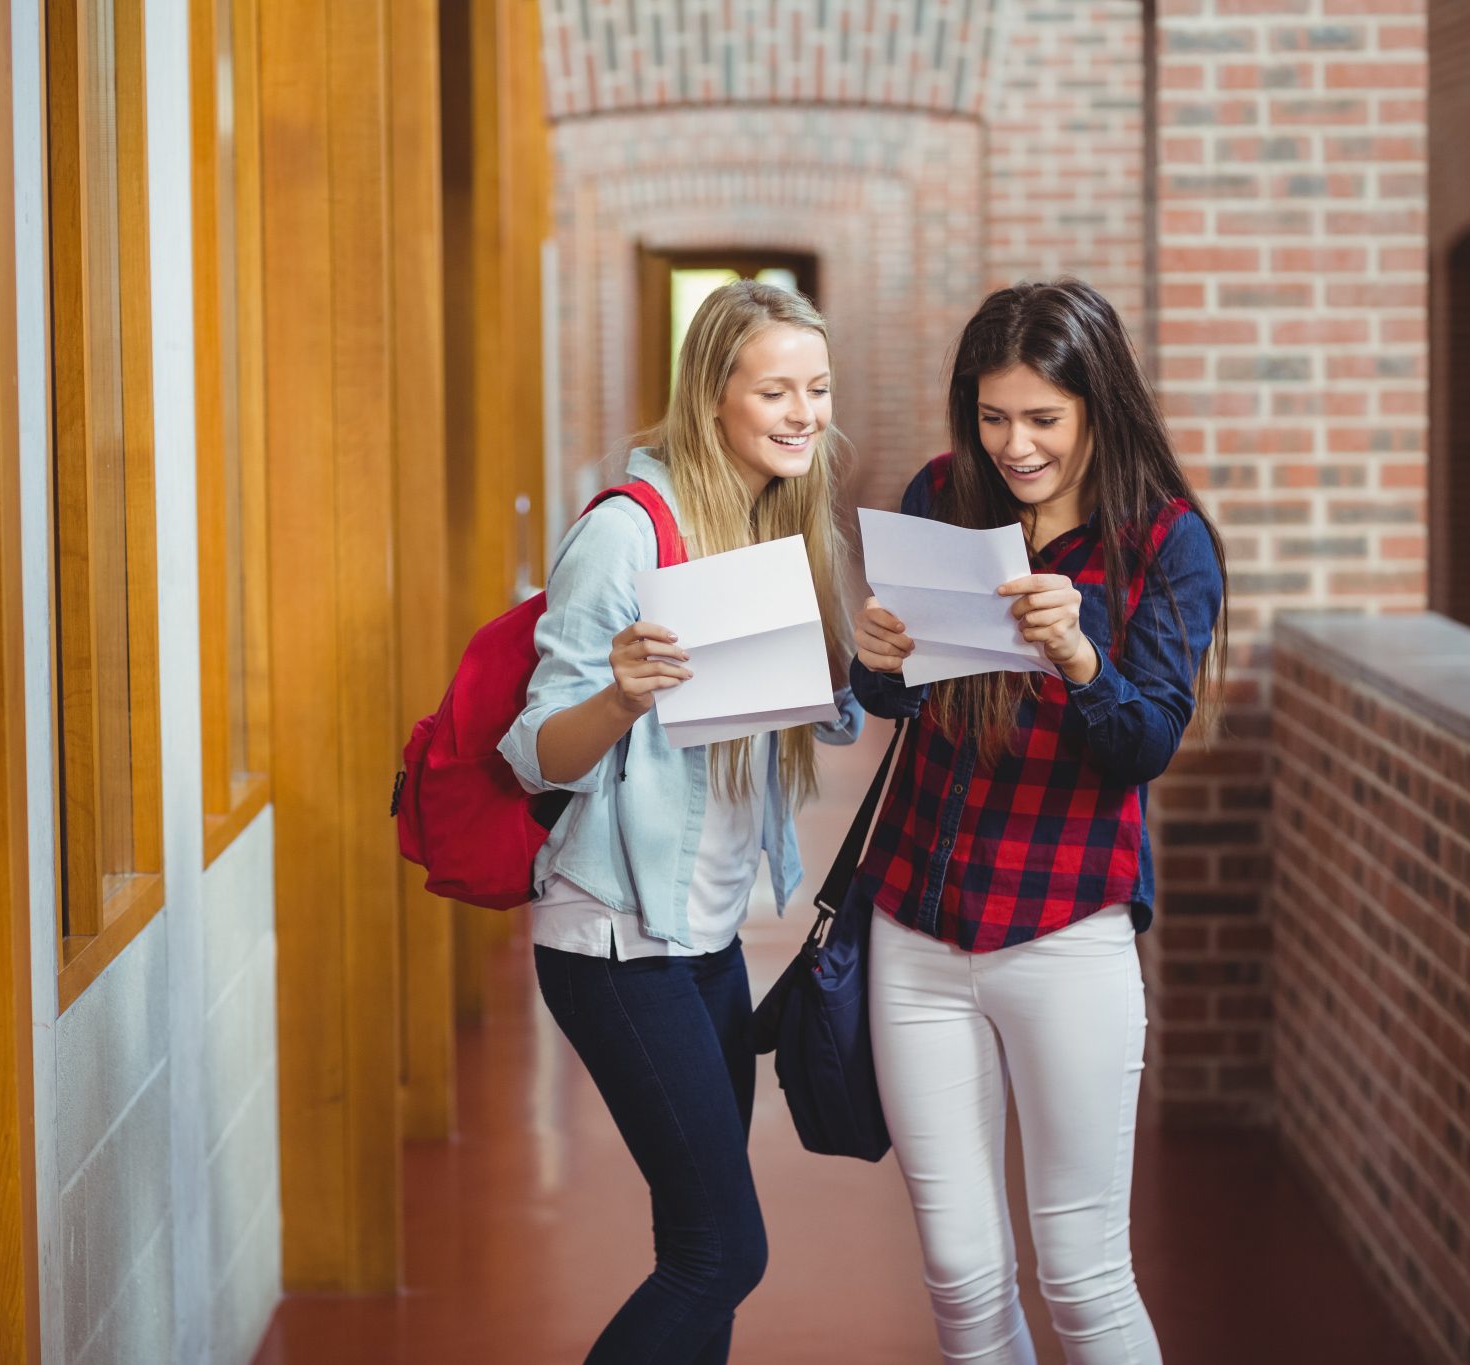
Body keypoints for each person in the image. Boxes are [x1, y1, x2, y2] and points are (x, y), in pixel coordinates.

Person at [850, 279, 1228, 1364]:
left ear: (1097, 405)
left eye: (1042, 419)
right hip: (917, 926)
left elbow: (1141, 745)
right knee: (962, 1280)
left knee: (1081, 1275)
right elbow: (893, 702)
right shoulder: (938, 494)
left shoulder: (1163, 541)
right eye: (990, 414)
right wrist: (874, 662)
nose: (1013, 444)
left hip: (1064, 933)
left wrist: (1077, 658)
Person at [498, 278, 863, 1363]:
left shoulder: (772, 522)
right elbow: (530, 758)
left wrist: (856, 661)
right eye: (774, 392)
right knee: (723, 1251)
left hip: (704, 945)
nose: (803, 414)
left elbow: (816, 722)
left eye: (818, 389)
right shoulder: (626, 533)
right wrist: (618, 695)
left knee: (693, 1250)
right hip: (615, 944)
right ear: (711, 398)